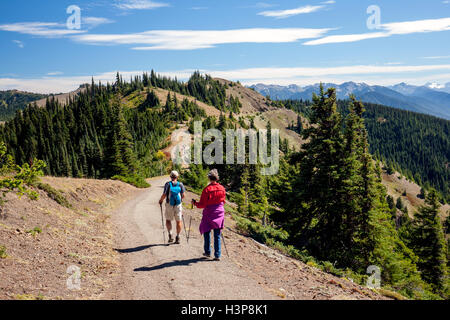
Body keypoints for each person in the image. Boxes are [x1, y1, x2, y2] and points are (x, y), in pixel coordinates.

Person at [191, 169, 226, 261]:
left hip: (209, 212)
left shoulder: (207, 189)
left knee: (206, 230)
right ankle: (217, 255)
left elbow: (202, 204)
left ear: (209, 178)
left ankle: (207, 252)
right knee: (217, 234)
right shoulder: (222, 188)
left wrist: (195, 203)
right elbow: (223, 201)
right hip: (219, 212)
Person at [159, 170, 186, 244]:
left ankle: (170, 234)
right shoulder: (180, 184)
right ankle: (178, 236)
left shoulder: (167, 184)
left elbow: (164, 194)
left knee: (168, 220)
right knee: (178, 221)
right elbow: (183, 195)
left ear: (170, 176)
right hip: (178, 204)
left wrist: (160, 200)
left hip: (169, 204)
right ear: (177, 177)